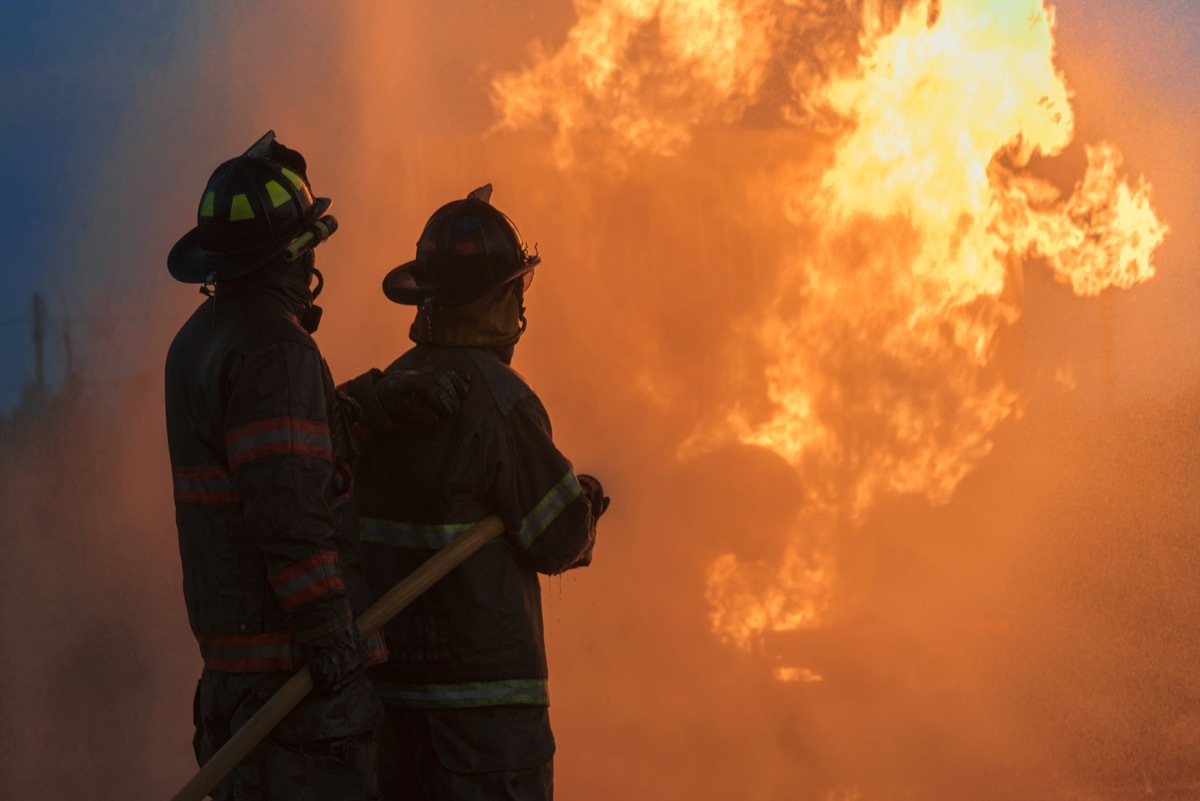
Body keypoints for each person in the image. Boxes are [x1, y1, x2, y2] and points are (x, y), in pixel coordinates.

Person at [164, 131, 465, 800]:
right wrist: (332, 636)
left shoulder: (201, 342)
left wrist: (375, 404)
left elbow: (284, 455)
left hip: (234, 690)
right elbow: (289, 512)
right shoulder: (278, 349)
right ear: (294, 255)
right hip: (295, 698)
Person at [350, 185, 610, 800]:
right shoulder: (503, 403)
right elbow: (559, 538)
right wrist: (587, 504)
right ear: (502, 299)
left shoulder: (383, 395)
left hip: (394, 712)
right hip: (485, 730)